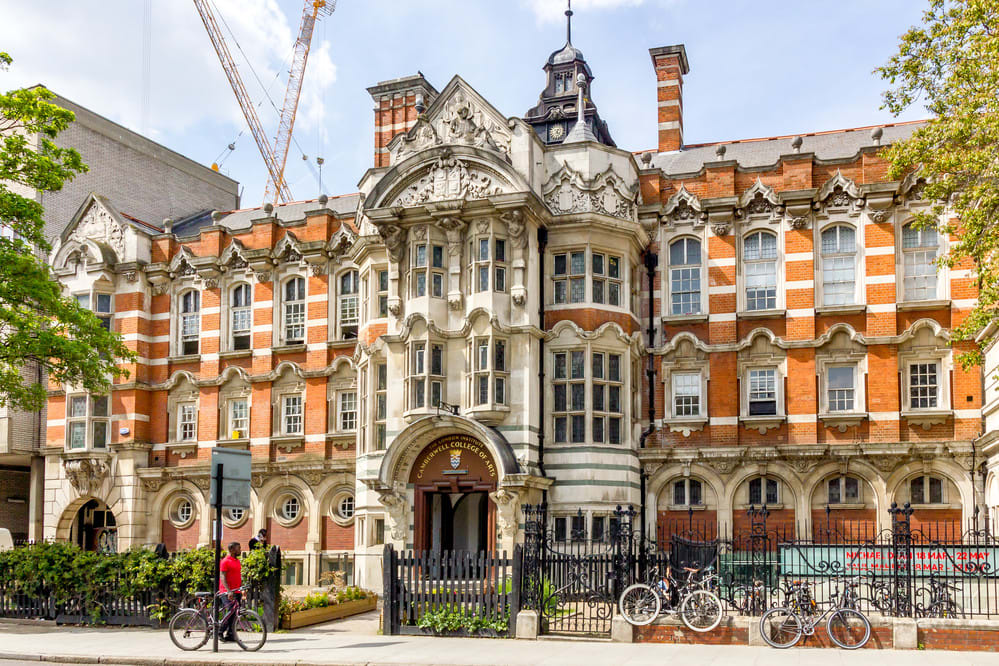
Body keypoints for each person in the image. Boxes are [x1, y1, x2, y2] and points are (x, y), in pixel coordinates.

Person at [218, 541, 242, 642]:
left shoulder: (237, 561)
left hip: (236, 591)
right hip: (227, 592)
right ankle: (219, 631)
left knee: (235, 613)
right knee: (230, 613)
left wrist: (241, 589)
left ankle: (230, 634)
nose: (240, 550)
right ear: (232, 549)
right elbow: (222, 576)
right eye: (238, 548)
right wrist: (228, 591)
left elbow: (238, 576)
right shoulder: (225, 561)